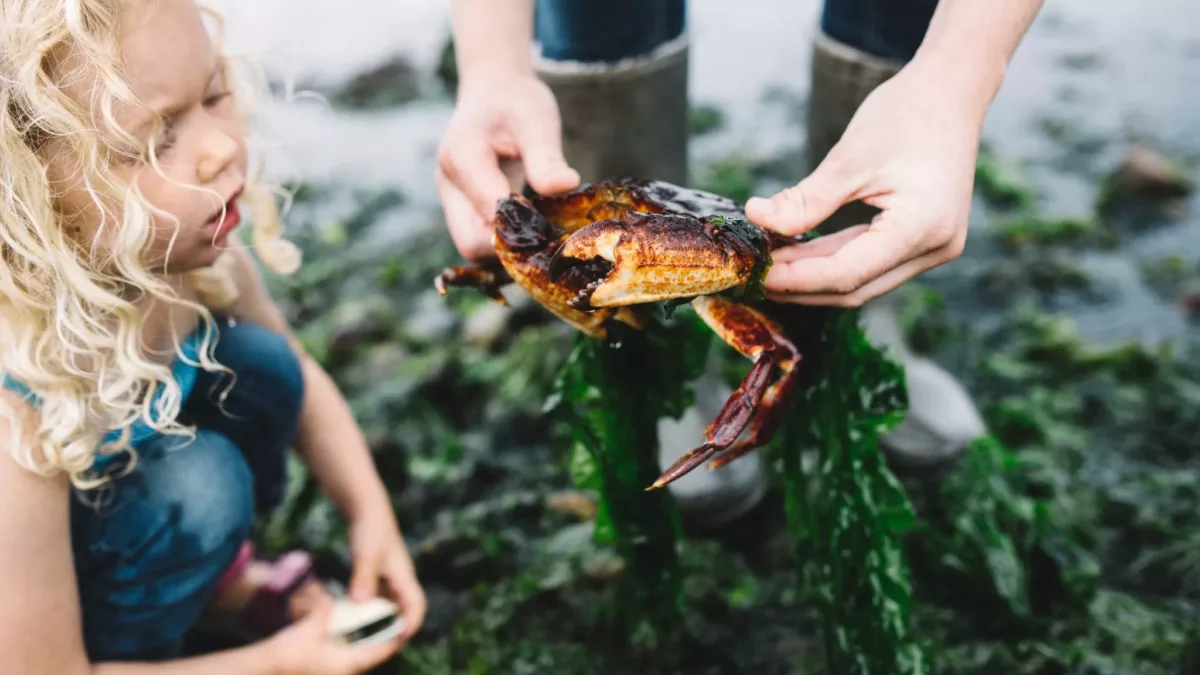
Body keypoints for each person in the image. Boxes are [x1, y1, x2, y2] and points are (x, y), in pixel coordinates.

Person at [436, 0, 1043, 526]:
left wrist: (957, 79)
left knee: (779, 353)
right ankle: (655, 361)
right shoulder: (598, 210)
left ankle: (865, 332)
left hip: (738, 247)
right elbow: (530, 217)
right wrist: (491, 70)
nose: (637, 228)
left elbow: (773, 363)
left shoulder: (727, 247)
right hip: (619, 211)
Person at [0, 0, 425, 672]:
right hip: (36, 628)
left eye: (215, 94)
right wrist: (283, 663)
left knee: (263, 366)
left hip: (112, 521)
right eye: (156, 139)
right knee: (203, 486)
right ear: (32, 194)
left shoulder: (203, 267)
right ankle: (147, 641)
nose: (222, 147)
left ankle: (214, 587)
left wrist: (371, 513)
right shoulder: (17, 402)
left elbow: (306, 386)